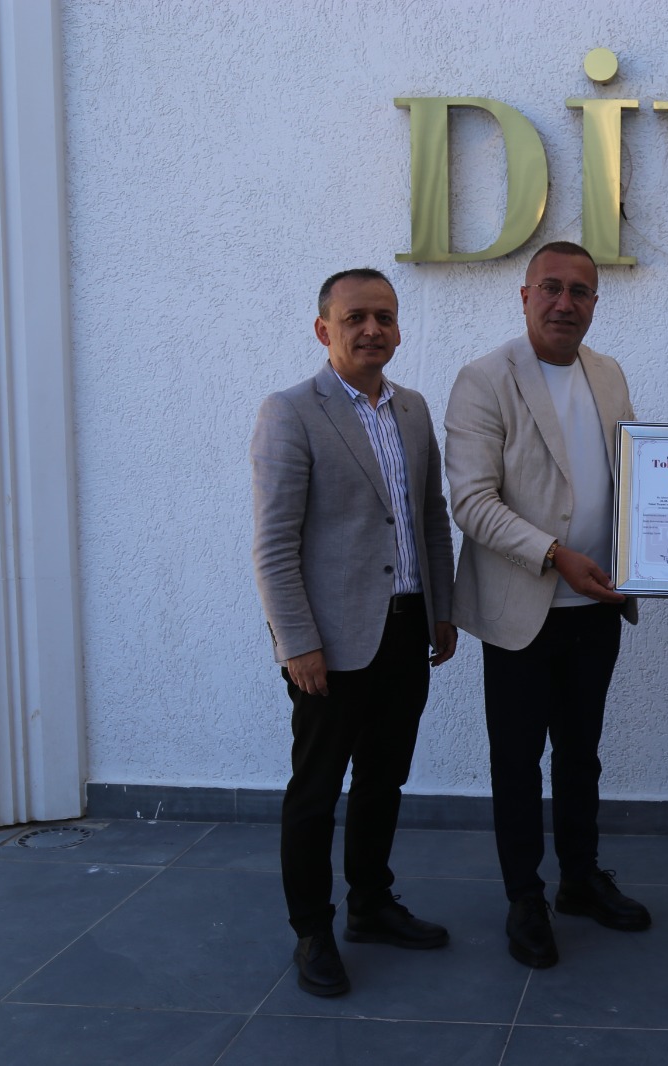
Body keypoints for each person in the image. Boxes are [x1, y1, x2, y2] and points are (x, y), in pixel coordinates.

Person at [250, 268, 457, 997]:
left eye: (385, 317)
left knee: (383, 778)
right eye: (356, 318)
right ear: (324, 330)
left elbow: (430, 517)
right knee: (315, 789)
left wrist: (442, 608)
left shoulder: (414, 409)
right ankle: (313, 930)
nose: (373, 329)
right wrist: (297, 642)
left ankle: (371, 902)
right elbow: (274, 543)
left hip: (405, 629)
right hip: (330, 645)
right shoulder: (290, 412)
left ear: (399, 327)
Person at [445, 241, 649, 969]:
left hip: (596, 608)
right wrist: (557, 555)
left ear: (595, 302)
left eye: (580, 292)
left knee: (581, 755)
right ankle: (524, 896)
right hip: (521, 611)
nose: (566, 303)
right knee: (517, 760)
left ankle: (580, 878)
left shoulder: (608, 373)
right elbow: (472, 502)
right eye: (552, 288)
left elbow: (637, 472)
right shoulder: (483, 379)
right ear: (525, 295)